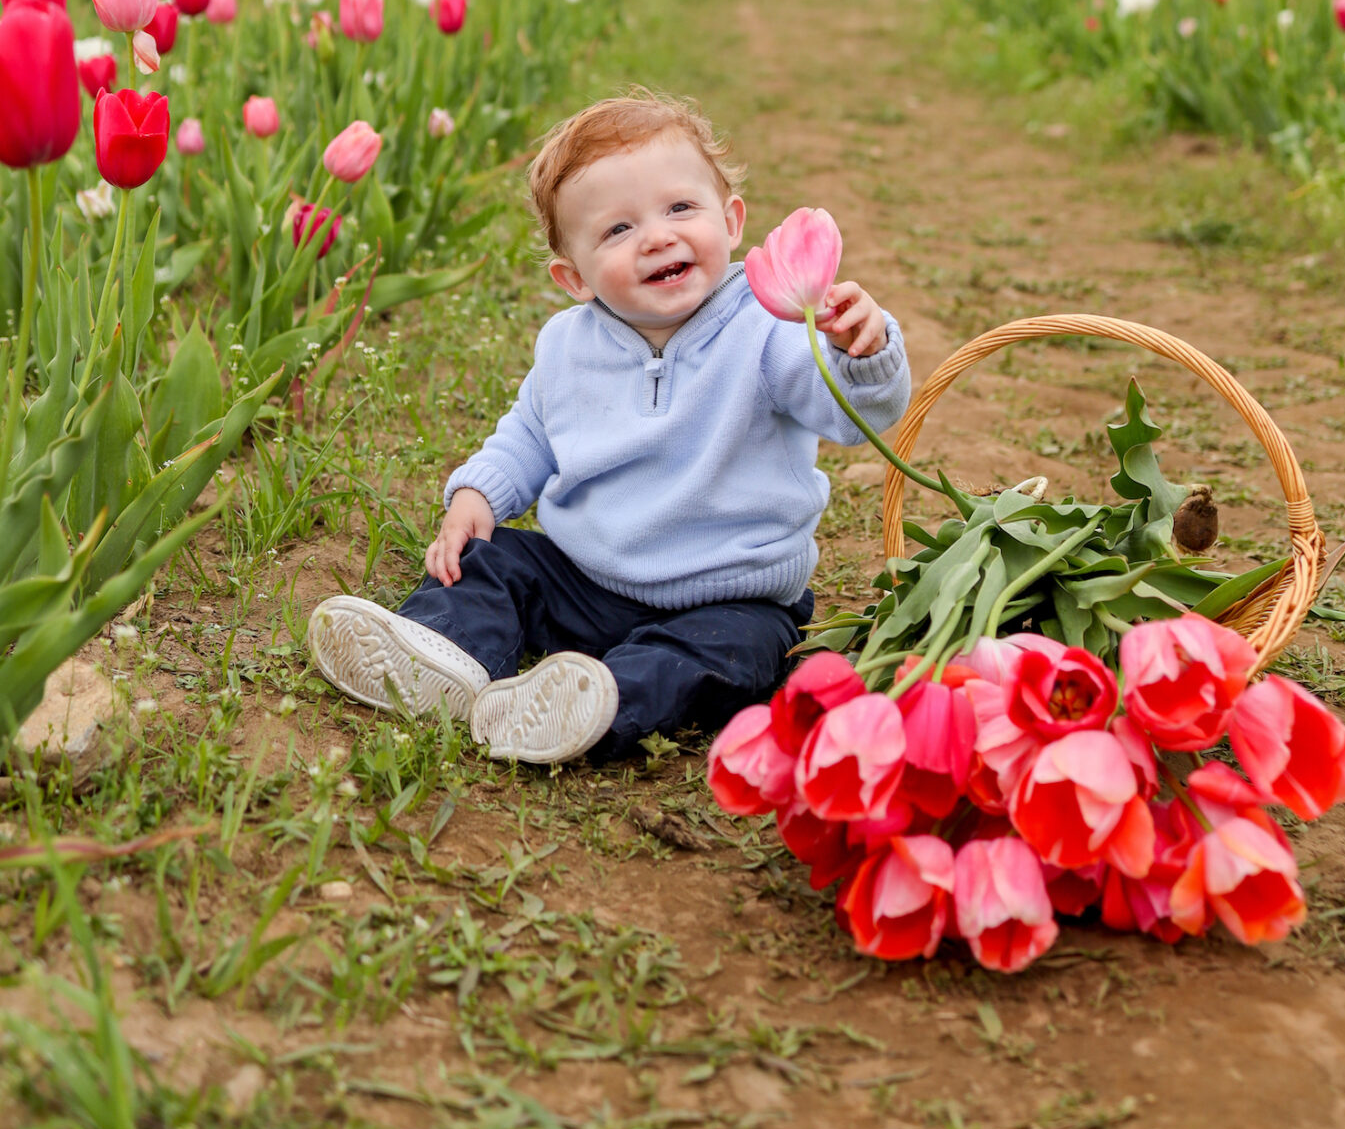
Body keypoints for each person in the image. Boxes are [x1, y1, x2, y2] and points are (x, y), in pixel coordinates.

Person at [307, 91, 909, 765]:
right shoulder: (568, 345)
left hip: (729, 596)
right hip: (584, 579)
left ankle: (593, 705)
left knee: (731, 655)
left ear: (732, 220)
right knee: (493, 560)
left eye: (680, 208)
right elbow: (529, 434)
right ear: (574, 277)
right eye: (617, 230)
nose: (656, 236)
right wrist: (476, 496)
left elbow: (855, 418)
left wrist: (861, 353)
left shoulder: (769, 327)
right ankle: (437, 661)